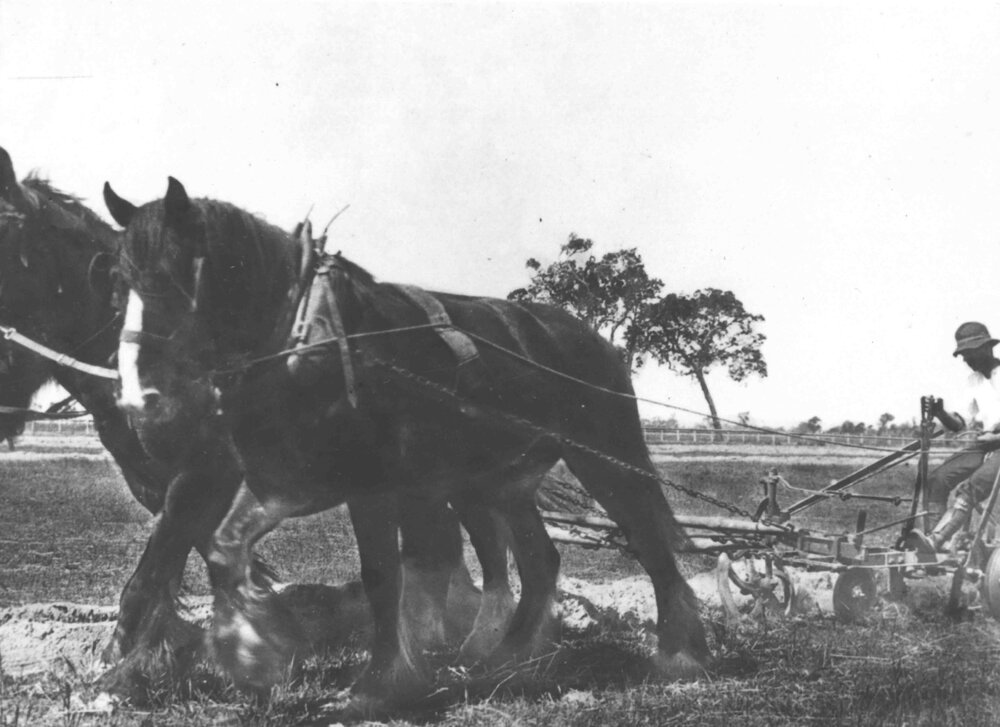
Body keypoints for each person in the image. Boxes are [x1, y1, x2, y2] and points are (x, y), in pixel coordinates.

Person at [909, 321, 1000, 553]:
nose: (966, 360)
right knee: (936, 479)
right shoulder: (973, 381)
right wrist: (940, 412)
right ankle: (936, 544)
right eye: (963, 355)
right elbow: (959, 424)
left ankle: (935, 541)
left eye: (970, 354)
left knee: (971, 488)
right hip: (985, 444)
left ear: (986, 348)